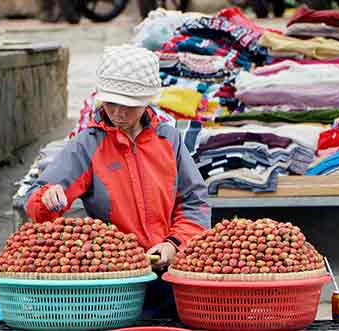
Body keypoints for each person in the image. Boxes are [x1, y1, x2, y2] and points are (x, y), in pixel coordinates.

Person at [24, 45, 211, 318]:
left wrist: (174, 244)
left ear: (147, 101)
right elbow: (35, 200)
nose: (118, 113)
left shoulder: (169, 140)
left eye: (128, 105)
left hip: (173, 274)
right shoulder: (88, 145)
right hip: (115, 281)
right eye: (111, 103)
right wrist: (47, 198)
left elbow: (195, 201)